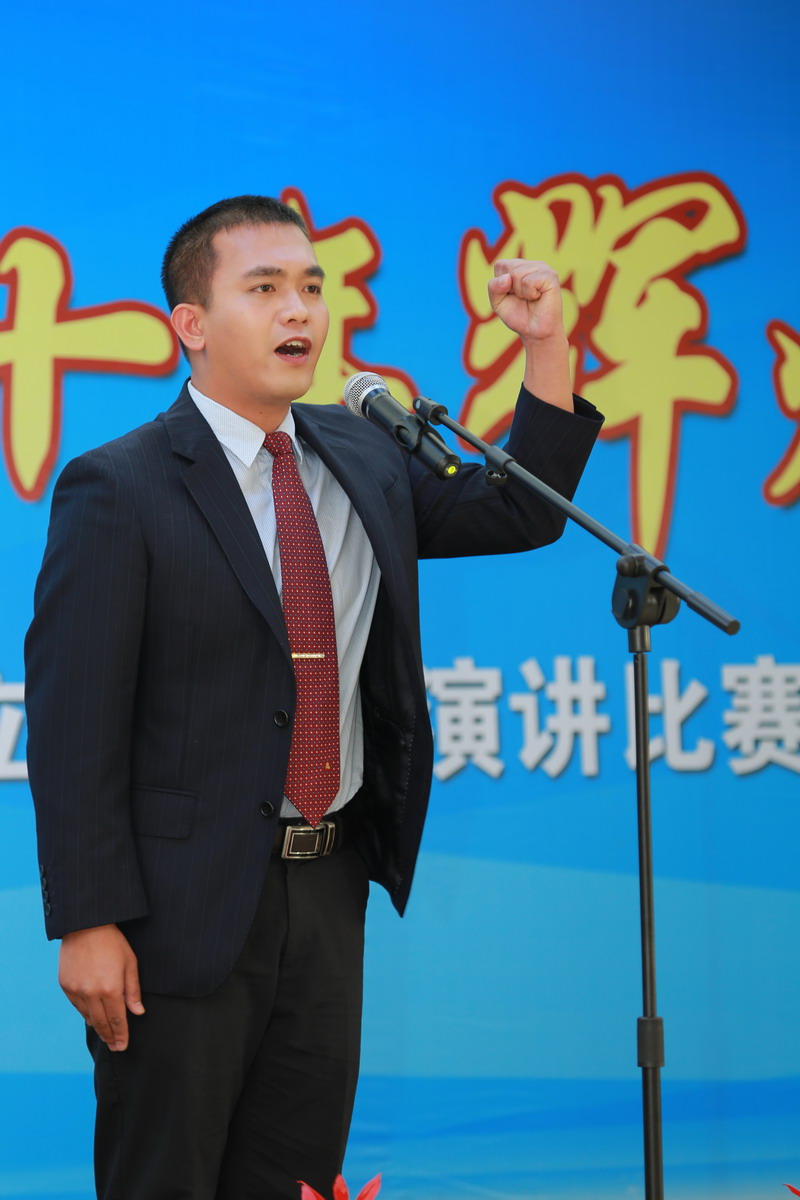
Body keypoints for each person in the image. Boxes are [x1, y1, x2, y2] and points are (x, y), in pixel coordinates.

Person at [25, 194, 603, 1200]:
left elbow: (521, 511)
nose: (298, 310)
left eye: (310, 287)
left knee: (296, 1179)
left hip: (328, 889)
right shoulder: (120, 486)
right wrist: (88, 920)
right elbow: (75, 724)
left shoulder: (365, 453)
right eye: (263, 289)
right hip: (178, 913)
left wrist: (544, 345)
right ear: (191, 324)